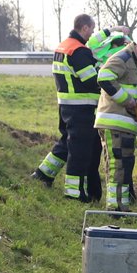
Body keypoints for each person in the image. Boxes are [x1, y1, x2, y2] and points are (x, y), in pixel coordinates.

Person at [33, 13, 103, 202]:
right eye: (92, 29)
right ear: (85, 27)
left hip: (66, 105)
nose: (92, 33)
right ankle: (74, 192)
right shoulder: (79, 50)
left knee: (67, 142)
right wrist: (103, 73)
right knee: (80, 150)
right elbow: (91, 80)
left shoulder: (64, 46)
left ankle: (43, 174)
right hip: (81, 107)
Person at [94, 36, 137, 211]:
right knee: (117, 165)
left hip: (126, 123)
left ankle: (121, 204)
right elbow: (104, 78)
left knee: (125, 165)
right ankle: (114, 206)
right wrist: (127, 100)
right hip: (113, 121)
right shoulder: (122, 58)